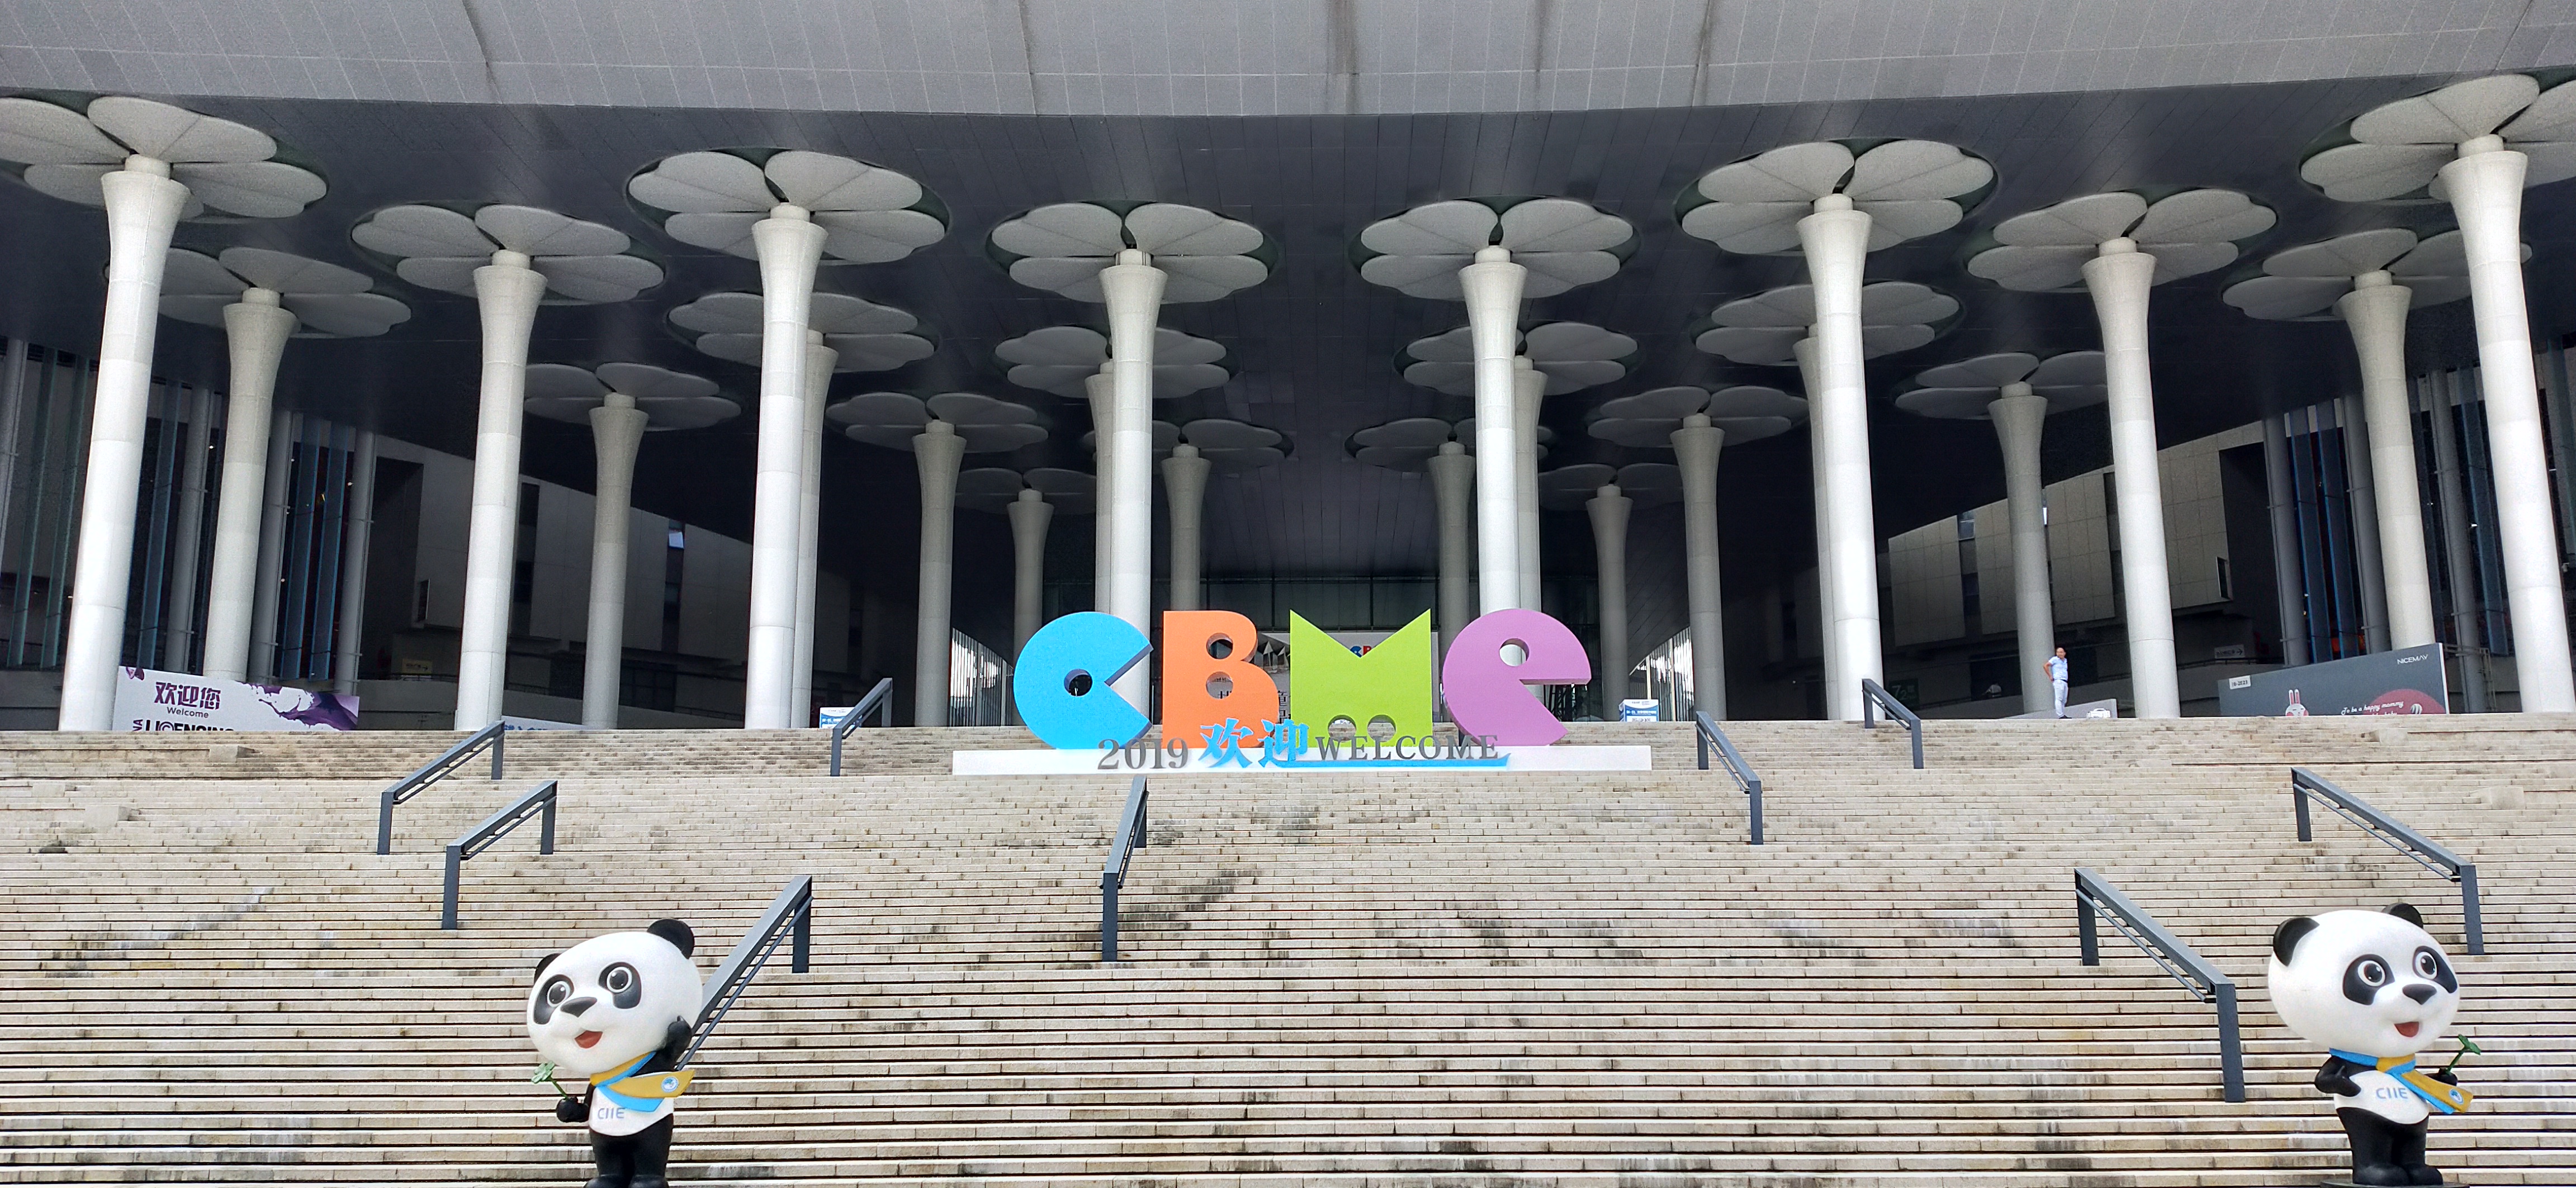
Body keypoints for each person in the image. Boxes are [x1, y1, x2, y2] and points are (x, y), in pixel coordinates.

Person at [2045, 646, 2070, 719]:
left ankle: (2062, 713)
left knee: (2064, 699)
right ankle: (2060, 715)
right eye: (2058, 652)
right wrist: (2050, 676)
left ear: (2064, 653)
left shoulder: (2065, 661)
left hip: (2065, 680)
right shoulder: (2055, 659)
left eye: (2061, 652)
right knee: (2059, 698)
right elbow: (2046, 665)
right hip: (2058, 680)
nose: (2060, 654)